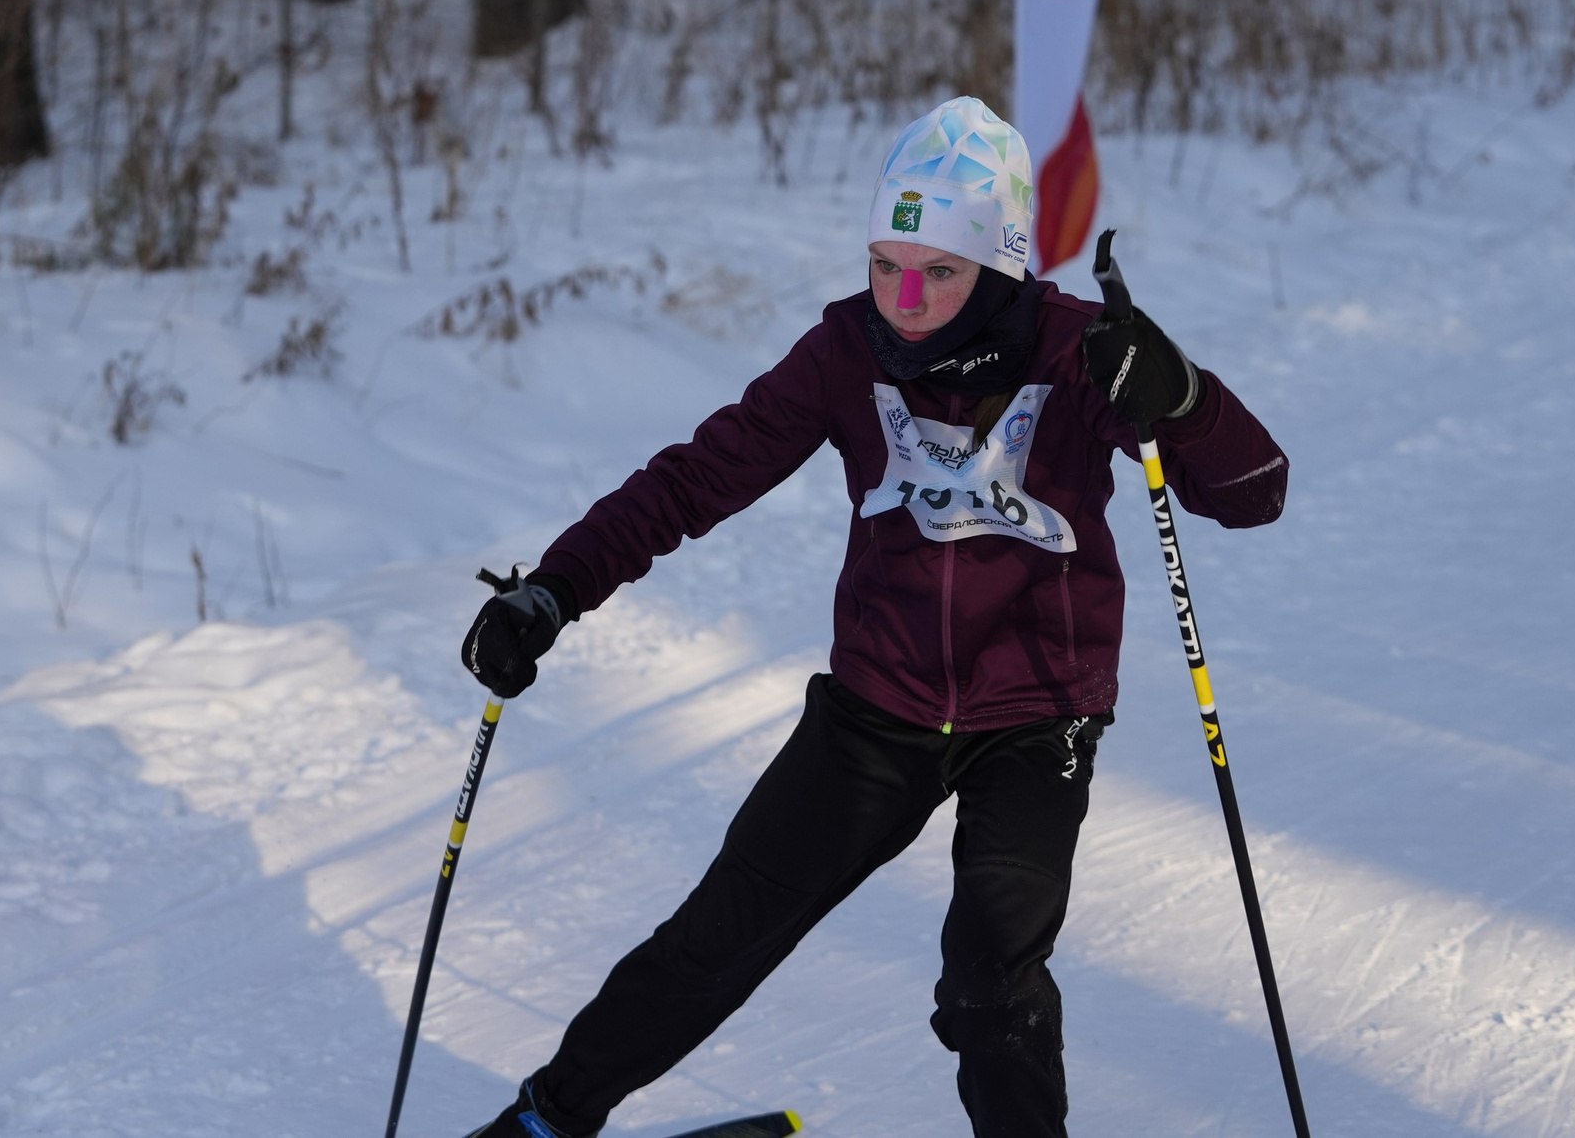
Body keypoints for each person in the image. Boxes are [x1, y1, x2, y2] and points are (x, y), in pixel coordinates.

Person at [454, 96, 1290, 1138]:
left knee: (990, 986)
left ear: (1000, 266)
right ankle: (544, 1122)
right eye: (886, 262)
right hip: (876, 706)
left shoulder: (1082, 354)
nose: (905, 295)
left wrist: (1180, 395)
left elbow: (1254, 493)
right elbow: (695, 480)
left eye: (938, 271)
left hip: (1035, 720)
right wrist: (556, 588)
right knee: (716, 938)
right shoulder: (845, 351)